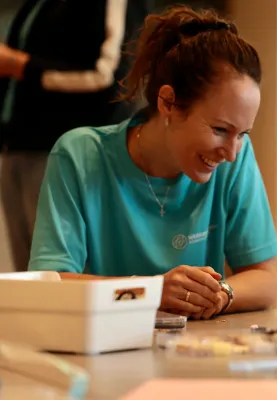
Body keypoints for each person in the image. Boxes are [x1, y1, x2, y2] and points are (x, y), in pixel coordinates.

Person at [27, 5, 277, 320]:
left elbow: (265, 279)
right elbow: (50, 284)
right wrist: (149, 291)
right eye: (219, 130)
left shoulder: (236, 157)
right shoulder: (79, 156)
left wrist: (221, 294)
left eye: (242, 134)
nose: (231, 153)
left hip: (200, 345)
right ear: (168, 102)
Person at [0, 0, 153, 272]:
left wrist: (20, 65)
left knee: (67, 277)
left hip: (70, 156)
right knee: (30, 280)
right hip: (18, 148)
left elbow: (106, 77)